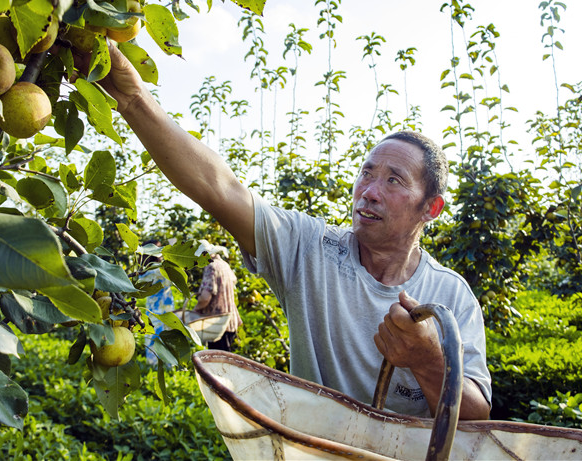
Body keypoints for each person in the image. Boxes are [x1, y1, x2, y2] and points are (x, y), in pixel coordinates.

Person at [87, 43, 491, 420]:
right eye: (366, 174)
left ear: (431, 208)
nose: (368, 192)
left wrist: (427, 359)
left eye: (393, 181)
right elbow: (220, 188)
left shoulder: (451, 297)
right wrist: (132, 99)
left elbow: (478, 417)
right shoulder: (310, 248)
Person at [192, 241, 242, 351]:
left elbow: (205, 297)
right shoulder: (224, 265)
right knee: (227, 362)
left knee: (217, 363)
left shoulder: (211, 267)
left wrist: (194, 311)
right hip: (230, 320)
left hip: (217, 324)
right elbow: (233, 281)